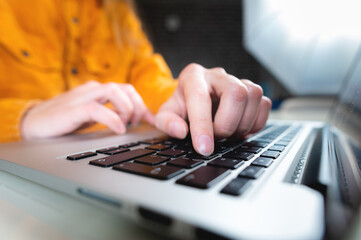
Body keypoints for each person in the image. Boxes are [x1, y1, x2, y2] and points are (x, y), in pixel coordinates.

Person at [0, 0, 271, 156]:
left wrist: (191, 98)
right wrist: (23, 119)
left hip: (116, 154)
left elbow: (147, 80)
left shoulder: (118, 11)